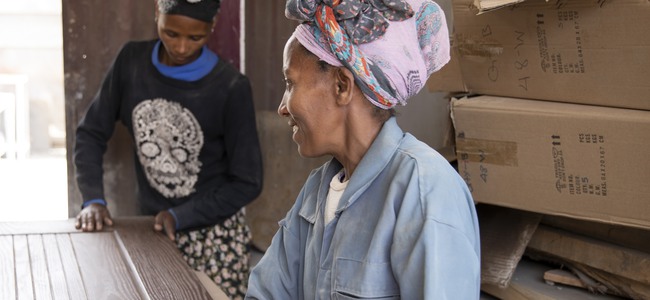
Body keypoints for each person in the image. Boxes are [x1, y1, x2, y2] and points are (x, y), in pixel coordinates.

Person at [246, 0, 480, 299]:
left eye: (290, 83)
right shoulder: (318, 190)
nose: (282, 107)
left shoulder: (425, 191)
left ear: (342, 86)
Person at [73, 0, 263, 298]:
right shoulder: (131, 63)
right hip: (153, 230)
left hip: (214, 238)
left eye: (195, 37)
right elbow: (90, 133)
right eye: (171, 33)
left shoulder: (230, 87)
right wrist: (93, 199)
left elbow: (248, 182)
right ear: (156, 15)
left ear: (211, 28)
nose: (182, 47)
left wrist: (180, 215)